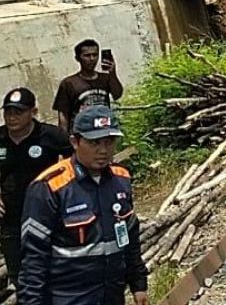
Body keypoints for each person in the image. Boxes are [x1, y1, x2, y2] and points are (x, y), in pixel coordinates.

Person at [19, 105, 148, 304]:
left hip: (111, 296)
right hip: (69, 298)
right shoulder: (50, 187)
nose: (103, 150)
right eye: (95, 142)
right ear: (74, 141)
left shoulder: (121, 180)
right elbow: (33, 261)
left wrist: (138, 284)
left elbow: (129, 237)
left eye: (109, 141)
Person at [0, 87, 71, 288]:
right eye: (8, 112)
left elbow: (75, 163)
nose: (12, 117)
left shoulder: (50, 136)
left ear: (34, 112)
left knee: (51, 268)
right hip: (11, 218)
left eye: (18, 112)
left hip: (46, 215)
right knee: (19, 275)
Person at [53, 39, 124, 132]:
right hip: (82, 133)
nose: (91, 59)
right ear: (78, 58)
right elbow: (63, 114)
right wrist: (64, 139)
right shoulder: (69, 83)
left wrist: (113, 74)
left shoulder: (105, 78)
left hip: (103, 129)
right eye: (87, 55)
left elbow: (117, 95)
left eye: (95, 55)